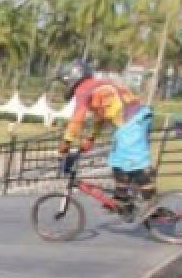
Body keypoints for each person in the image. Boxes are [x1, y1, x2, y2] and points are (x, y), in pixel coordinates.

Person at [56, 60, 155, 217]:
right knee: (116, 160)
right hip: (131, 121)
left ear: (72, 77)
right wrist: (90, 138)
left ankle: (152, 206)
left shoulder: (83, 89)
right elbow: (100, 117)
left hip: (132, 121)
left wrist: (66, 141)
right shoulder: (97, 85)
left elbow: (77, 118)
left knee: (134, 163)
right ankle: (122, 200)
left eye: (64, 81)